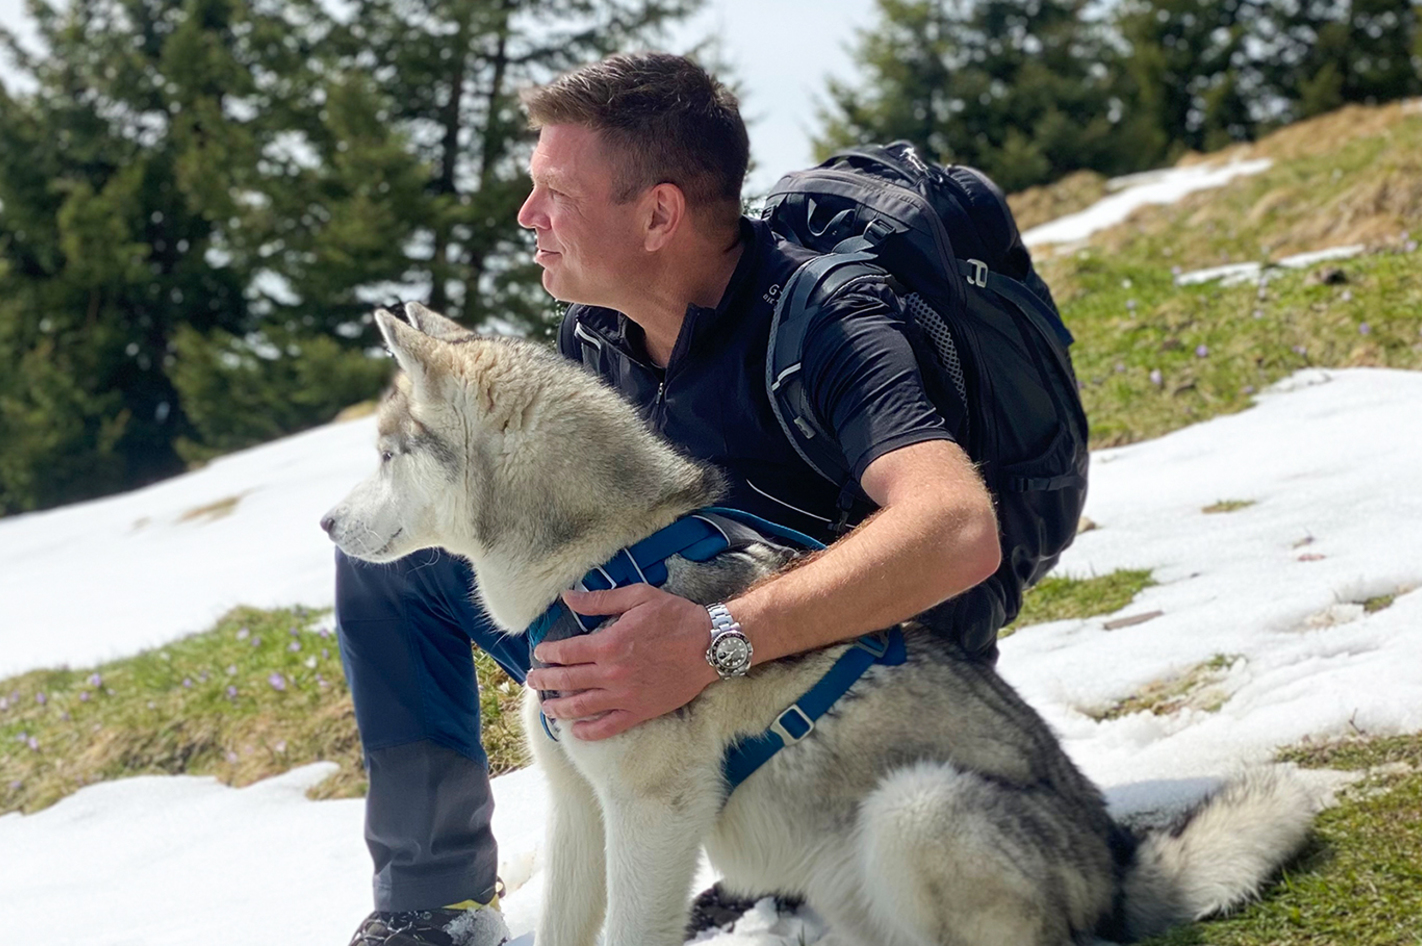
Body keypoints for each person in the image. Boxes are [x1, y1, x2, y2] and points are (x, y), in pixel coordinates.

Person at [337, 51, 1002, 946]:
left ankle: (781, 843)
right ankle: (438, 905)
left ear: (658, 213)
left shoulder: (828, 320)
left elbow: (956, 531)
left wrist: (717, 642)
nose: (526, 217)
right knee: (398, 573)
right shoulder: (598, 331)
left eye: (555, 195)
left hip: (859, 676)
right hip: (689, 642)